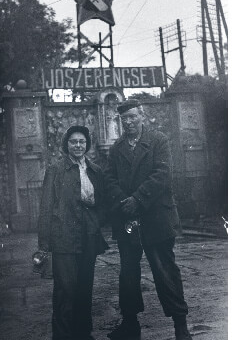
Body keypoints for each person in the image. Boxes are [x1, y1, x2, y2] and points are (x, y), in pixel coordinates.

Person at [104, 99, 192, 340]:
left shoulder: (158, 140)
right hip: (128, 219)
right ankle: (130, 324)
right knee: (128, 274)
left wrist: (138, 200)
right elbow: (109, 178)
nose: (129, 122)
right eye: (125, 119)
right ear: (120, 121)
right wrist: (125, 201)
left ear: (142, 116)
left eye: (133, 117)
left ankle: (180, 326)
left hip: (156, 217)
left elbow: (163, 174)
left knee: (165, 271)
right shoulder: (116, 148)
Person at [37, 125, 108, 340]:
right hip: (64, 238)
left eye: (82, 142)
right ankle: (62, 338)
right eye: (73, 142)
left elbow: (103, 203)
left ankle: (83, 335)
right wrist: (44, 244)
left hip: (89, 237)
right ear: (66, 145)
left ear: (87, 144)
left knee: (85, 289)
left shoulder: (95, 170)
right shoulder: (56, 171)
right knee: (65, 291)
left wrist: (95, 220)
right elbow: (46, 207)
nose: (78, 145)